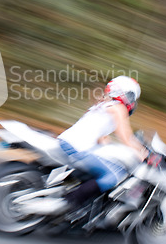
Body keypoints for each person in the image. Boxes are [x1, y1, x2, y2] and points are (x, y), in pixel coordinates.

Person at [57, 76, 148, 209]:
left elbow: (100, 136)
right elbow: (126, 137)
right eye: (131, 96)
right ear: (124, 93)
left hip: (67, 143)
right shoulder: (118, 108)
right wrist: (142, 152)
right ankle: (66, 203)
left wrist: (111, 145)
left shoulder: (103, 104)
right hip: (76, 148)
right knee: (114, 175)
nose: (133, 101)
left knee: (107, 164)